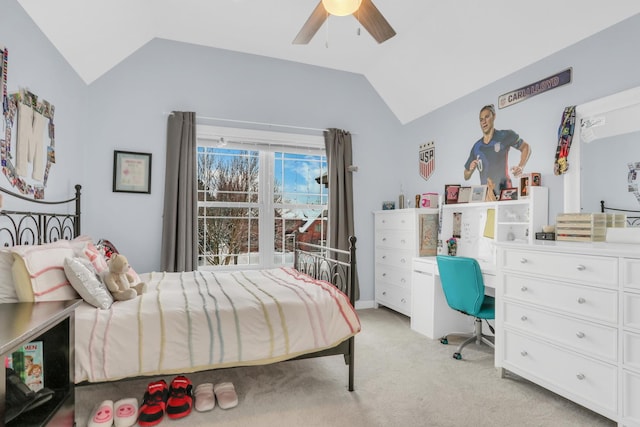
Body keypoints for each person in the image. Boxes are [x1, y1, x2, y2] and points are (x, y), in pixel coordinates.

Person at [464, 104, 531, 196]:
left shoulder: (505, 135)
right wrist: (470, 169)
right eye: (481, 119)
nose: (484, 122)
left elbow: (526, 147)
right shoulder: (476, 146)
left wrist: (521, 166)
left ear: (494, 116)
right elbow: (466, 176)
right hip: (487, 196)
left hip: (505, 194)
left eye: (487, 117)